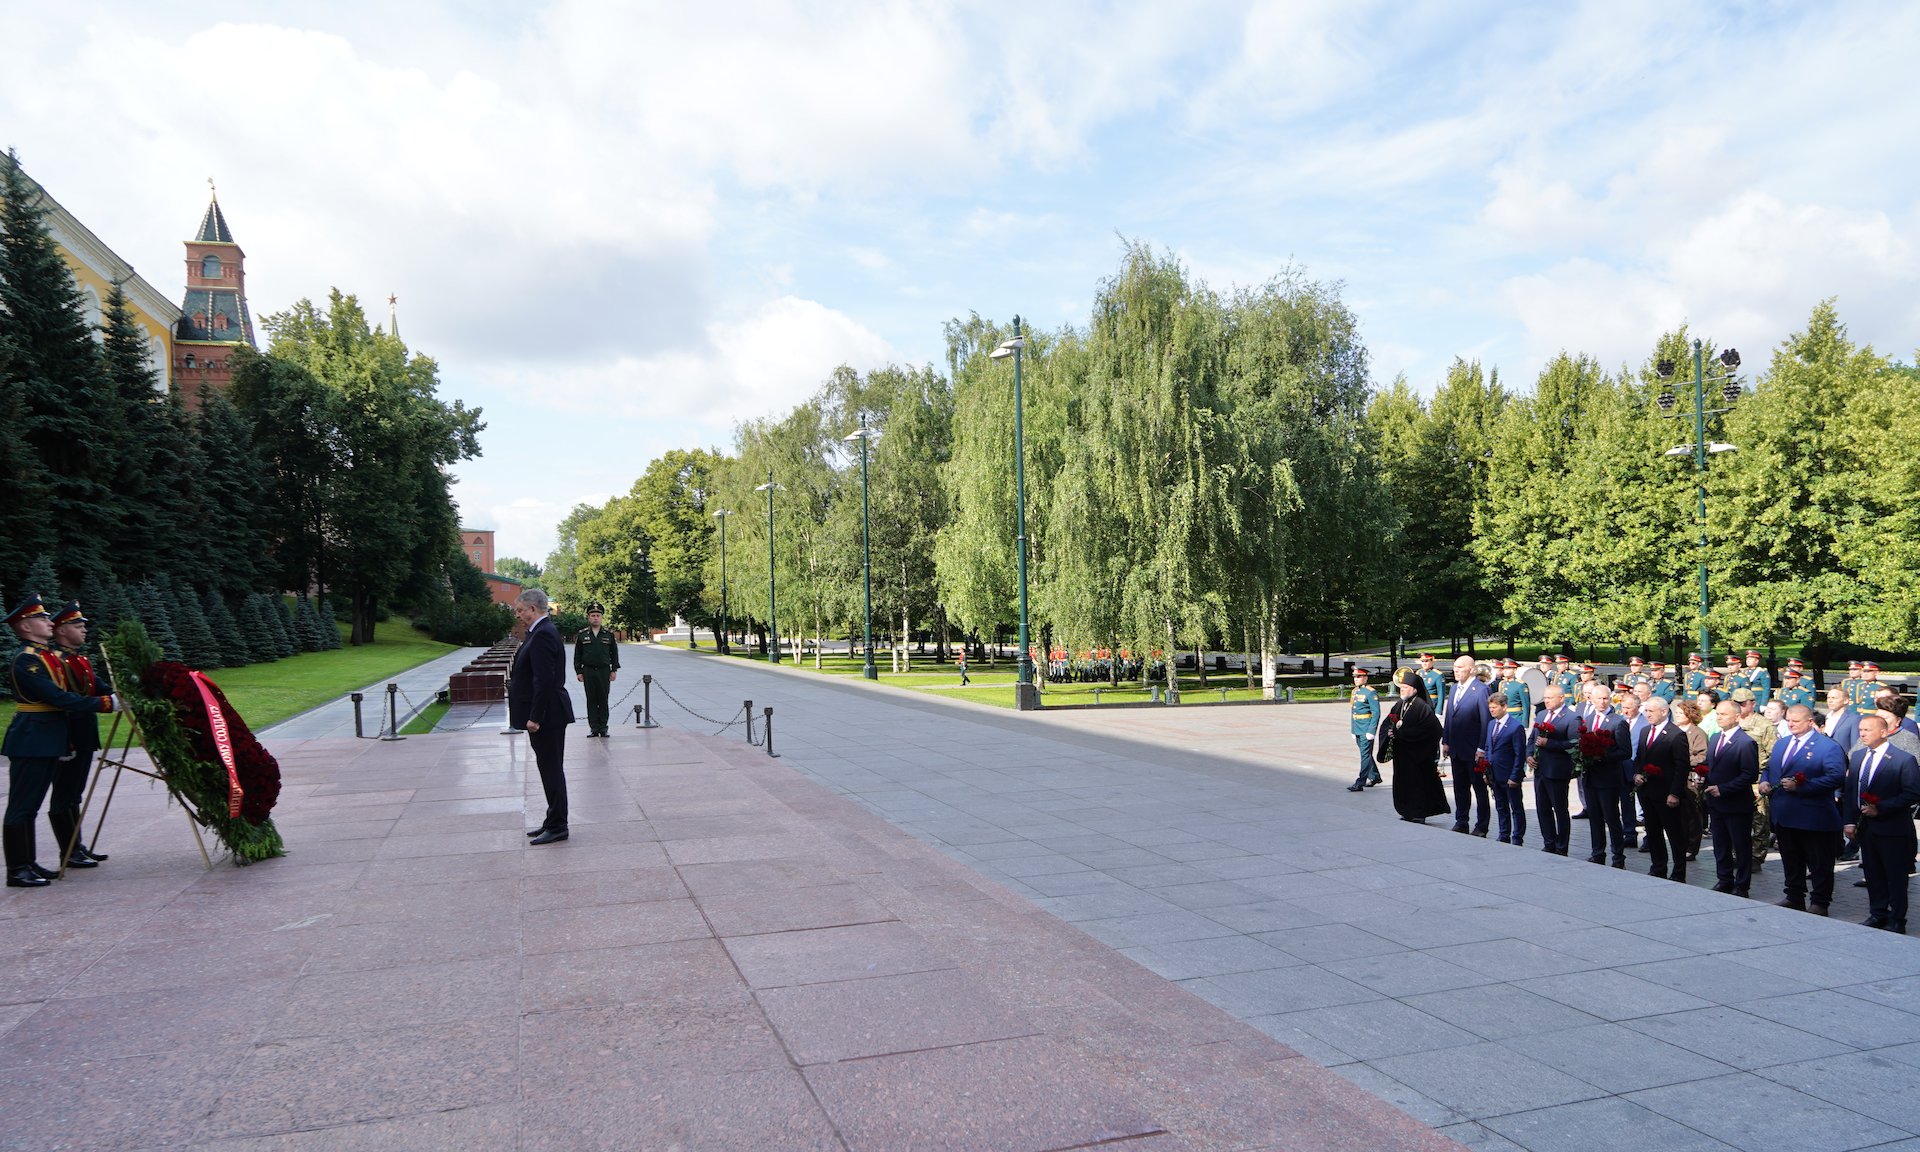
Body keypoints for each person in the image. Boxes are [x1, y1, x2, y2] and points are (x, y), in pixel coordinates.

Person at [3, 595, 118, 888]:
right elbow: (57, 697)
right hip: (32, 738)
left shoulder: (46, 657)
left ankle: (28, 863)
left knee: (31, 806)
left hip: (48, 737)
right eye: (42, 618)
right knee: (22, 805)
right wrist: (106, 704)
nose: (49, 622)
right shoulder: (27, 659)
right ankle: (17, 868)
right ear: (26, 627)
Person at [1760, 704, 1847, 914]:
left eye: (1796, 721)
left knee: (1819, 862)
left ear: (1810, 722)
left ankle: (1820, 901)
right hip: (1784, 813)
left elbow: (1835, 777)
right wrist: (1765, 781)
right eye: (1789, 720)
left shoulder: (1827, 746)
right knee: (1791, 858)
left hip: (1812, 815)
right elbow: (1771, 767)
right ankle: (1794, 895)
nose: (1791, 725)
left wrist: (1803, 787)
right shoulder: (1782, 743)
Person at [1843, 713, 1920, 933]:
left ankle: (1897, 919)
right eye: (1861, 730)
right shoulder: (1858, 756)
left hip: (1892, 828)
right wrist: (1849, 821)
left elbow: (1913, 793)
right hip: (1865, 828)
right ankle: (1877, 913)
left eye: (1867, 730)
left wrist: (1882, 808)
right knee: (1873, 873)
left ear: (1884, 732)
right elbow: (1851, 791)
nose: (1862, 734)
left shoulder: (1903, 759)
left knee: (1895, 876)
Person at [49, 602, 111, 868]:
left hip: (84, 735)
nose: (84, 629)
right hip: (69, 737)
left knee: (75, 793)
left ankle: (76, 845)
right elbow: (62, 701)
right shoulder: (56, 661)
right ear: (61, 630)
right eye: (77, 625)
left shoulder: (78, 659)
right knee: (64, 794)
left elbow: (100, 688)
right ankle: (69, 851)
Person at [511, 590, 576, 844]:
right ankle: (553, 820)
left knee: (551, 770)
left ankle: (558, 825)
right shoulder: (538, 632)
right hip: (547, 714)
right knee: (549, 768)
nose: (518, 615)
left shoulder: (543, 634)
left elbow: (544, 680)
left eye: (520, 610)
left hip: (547, 716)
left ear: (533, 609)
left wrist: (535, 717)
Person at [1703, 699, 1759, 896]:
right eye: (1717, 714)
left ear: (1737, 717)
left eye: (1723, 714)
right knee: (1720, 843)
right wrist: (1702, 775)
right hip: (1716, 802)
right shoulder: (1715, 737)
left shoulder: (1745, 742)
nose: (1719, 717)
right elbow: (1710, 765)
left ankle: (1742, 885)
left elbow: (1750, 774)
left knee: (1741, 845)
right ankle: (1724, 879)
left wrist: (1724, 789)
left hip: (1736, 803)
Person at [1378, 668, 1448, 823]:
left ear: (1415, 689)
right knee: (1403, 783)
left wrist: (1401, 734)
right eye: (1401, 687)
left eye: (1405, 687)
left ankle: (1419, 813)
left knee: (1418, 784)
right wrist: (1389, 732)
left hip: (1417, 755)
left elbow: (1434, 730)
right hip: (1402, 754)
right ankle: (1406, 811)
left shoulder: (1422, 707)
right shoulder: (1400, 704)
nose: (1402, 690)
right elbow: (1388, 722)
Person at [1633, 697, 1691, 881]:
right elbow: (1639, 758)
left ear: (1664, 712)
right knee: (1652, 832)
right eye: (1646, 711)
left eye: (1651, 711)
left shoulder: (1676, 734)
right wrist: (1637, 774)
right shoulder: (1645, 731)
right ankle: (1658, 867)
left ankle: (1679, 872)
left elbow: (1682, 767)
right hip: (1647, 792)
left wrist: (1674, 793)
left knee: (1674, 834)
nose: (1647, 714)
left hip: (1666, 794)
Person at [1579, 683, 1633, 868]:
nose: (1602, 702)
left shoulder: (1618, 721)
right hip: (1590, 776)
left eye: (1605, 698)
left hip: (1608, 777)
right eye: (1598, 698)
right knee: (1594, 817)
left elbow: (1625, 751)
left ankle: (1618, 857)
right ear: (1591, 699)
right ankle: (1597, 853)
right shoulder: (1588, 719)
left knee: (1611, 817)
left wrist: (1602, 756)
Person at [1442, 654, 1491, 836]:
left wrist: (1482, 748)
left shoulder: (1481, 690)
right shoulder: (1455, 688)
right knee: (1460, 788)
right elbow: (1449, 716)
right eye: (1455, 667)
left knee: (1479, 789)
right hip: (1456, 748)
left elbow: (1486, 721)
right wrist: (1446, 740)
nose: (1456, 671)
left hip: (1473, 750)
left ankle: (1481, 826)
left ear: (1471, 669)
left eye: (1460, 667)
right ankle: (1461, 821)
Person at [1531, 685, 1577, 856]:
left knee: (1560, 810)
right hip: (1540, 770)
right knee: (1542, 808)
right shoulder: (1541, 715)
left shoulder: (1571, 718)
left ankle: (1561, 846)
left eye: (1550, 698)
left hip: (1557, 771)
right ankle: (1549, 842)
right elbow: (1532, 738)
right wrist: (1528, 755)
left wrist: (1549, 744)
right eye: (1545, 698)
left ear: (1561, 698)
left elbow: (1574, 743)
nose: (1546, 701)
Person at [572, 602, 619, 738]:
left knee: (603, 699)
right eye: (593, 615)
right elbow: (577, 655)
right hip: (588, 671)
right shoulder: (582, 635)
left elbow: (614, 653)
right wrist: (578, 671)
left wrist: (614, 670)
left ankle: (603, 728)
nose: (595, 618)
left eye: (598, 615)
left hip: (604, 671)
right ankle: (594, 728)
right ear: (588, 617)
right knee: (591, 699)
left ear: (602, 617)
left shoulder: (608, 634)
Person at [1485, 694, 1527, 845]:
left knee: (1516, 807)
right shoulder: (1491, 724)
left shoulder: (1515, 727)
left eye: (1495, 707)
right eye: (1490, 707)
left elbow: (1519, 754)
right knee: (1501, 806)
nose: (1492, 710)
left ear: (1504, 707)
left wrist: (1515, 776)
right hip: (1495, 775)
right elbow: (1488, 748)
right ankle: (1504, 834)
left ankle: (1517, 837)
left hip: (1509, 775)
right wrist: (1486, 771)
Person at [1673, 697, 1708, 862]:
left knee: (1692, 813)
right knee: (1678, 814)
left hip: (1691, 778)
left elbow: (1702, 756)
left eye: (1681, 713)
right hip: (1675, 775)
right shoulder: (1674, 731)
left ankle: (1691, 847)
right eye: (1676, 712)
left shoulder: (1698, 733)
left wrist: (1682, 759)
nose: (1677, 715)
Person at [1346, 666, 1383, 792]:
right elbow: (1353, 711)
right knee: (1366, 754)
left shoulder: (1370, 692)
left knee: (1365, 755)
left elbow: (1376, 712)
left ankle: (1360, 782)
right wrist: (1353, 729)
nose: (1356, 679)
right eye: (1355, 677)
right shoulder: (1355, 691)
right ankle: (1375, 776)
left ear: (1365, 678)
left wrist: (1371, 731)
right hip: (1358, 727)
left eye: (1359, 677)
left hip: (1366, 728)